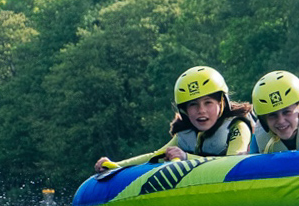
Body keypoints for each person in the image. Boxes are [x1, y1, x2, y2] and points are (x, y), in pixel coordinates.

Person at [94, 66, 253, 172]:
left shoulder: (237, 126)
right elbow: (155, 156)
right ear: (184, 111)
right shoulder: (186, 134)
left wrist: (186, 158)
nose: (201, 111)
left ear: (222, 103)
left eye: (208, 103)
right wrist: (116, 166)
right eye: (193, 105)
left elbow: (233, 164)